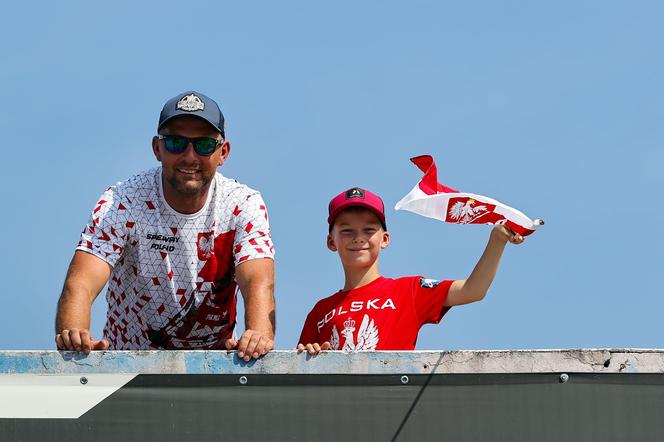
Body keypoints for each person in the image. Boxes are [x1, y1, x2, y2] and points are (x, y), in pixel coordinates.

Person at [56, 91, 275, 361]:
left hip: (212, 369)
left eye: (205, 144)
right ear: (157, 149)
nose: (190, 156)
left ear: (223, 152)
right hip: (129, 367)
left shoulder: (243, 203)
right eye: (175, 143)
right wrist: (74, 335)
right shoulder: (123, 200)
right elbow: (81, 283)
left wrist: (258, 334)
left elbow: (257, 281)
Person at [297, 187, 524, 353]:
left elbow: (473, 290)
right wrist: (310, 355)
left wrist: (497, 241)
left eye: (368, 230)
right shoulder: (320, 311)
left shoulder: (409, 290)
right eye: (347, 231)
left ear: (385, 239)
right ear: (331, 241)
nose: (358, 238)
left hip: (393, 406)